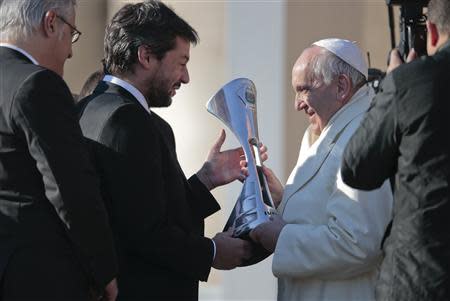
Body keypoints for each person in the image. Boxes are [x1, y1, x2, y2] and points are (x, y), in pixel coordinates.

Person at [77, 1, 258, 300]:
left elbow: (144, 209)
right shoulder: (127, 119)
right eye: (182, 62)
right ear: (146, 56)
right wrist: (212, 252)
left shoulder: (90, 107)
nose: (185, 78)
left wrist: (206, 179)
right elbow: (145, 234)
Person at [249, 38, 393, 301]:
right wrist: (283, 199)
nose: (297, 103)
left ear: (341, 87)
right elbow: (325, 208)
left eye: (304, 89)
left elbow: (356, 243)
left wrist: (281, 237)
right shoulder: (327, 128)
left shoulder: (363, 135)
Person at [0, 0, 117, 300]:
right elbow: (70, 188)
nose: (70, 51)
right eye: (72, 33)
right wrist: (104, 271)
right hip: (36, 277)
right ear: (51, 23)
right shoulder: (37, 84)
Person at [341, 0, 450, 299]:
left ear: (432, 32)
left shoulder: (410, 81)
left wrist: (392, 87)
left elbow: (357, 169)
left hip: (420, 277)